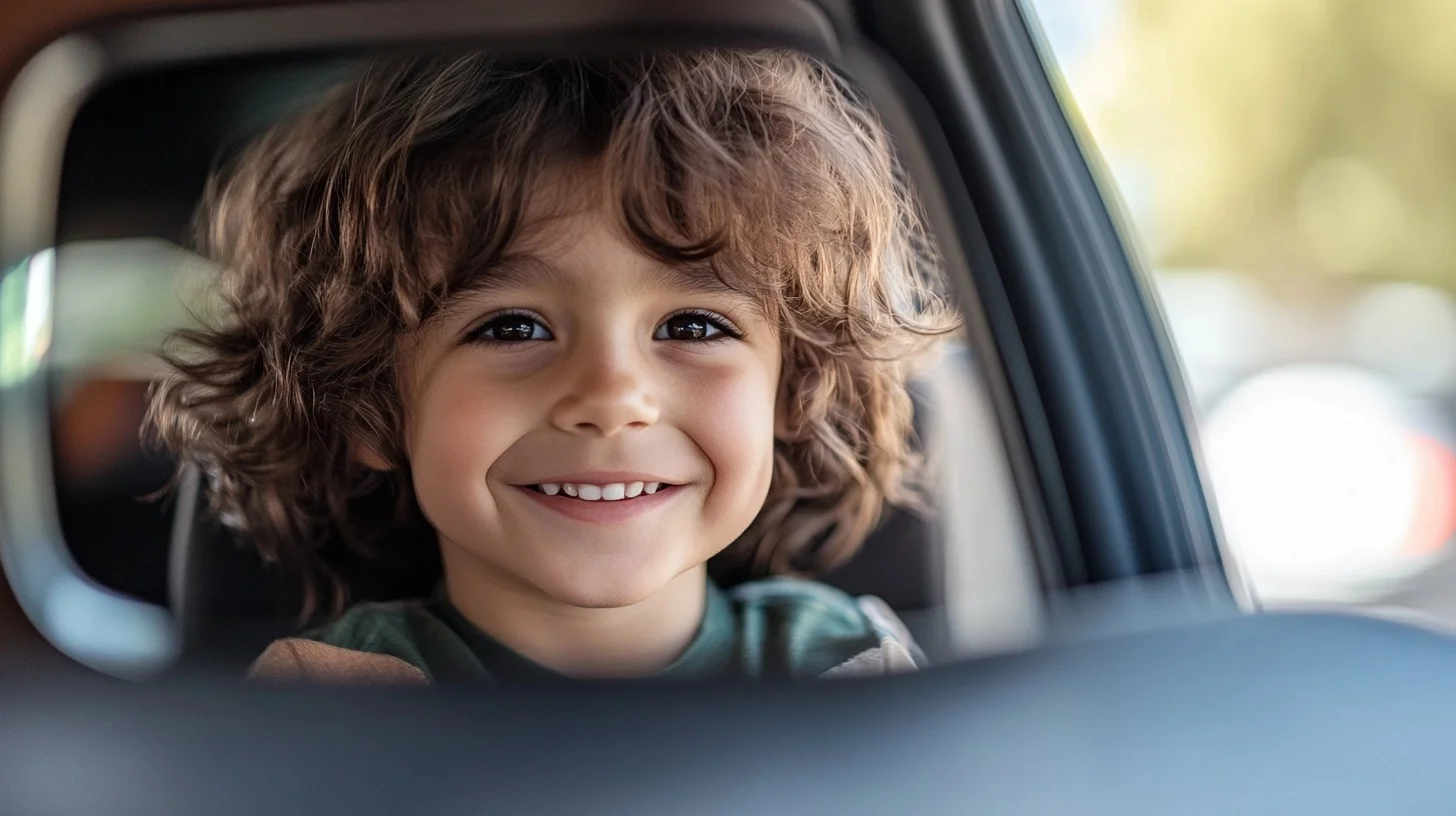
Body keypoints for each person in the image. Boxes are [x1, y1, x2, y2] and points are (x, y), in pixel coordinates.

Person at [146, 49, 957, 685]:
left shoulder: (848, 671)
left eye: (694, 323)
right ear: (371, 409)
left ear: (792, 391)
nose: (610, 398)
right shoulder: (334, 701)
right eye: (510, 327)